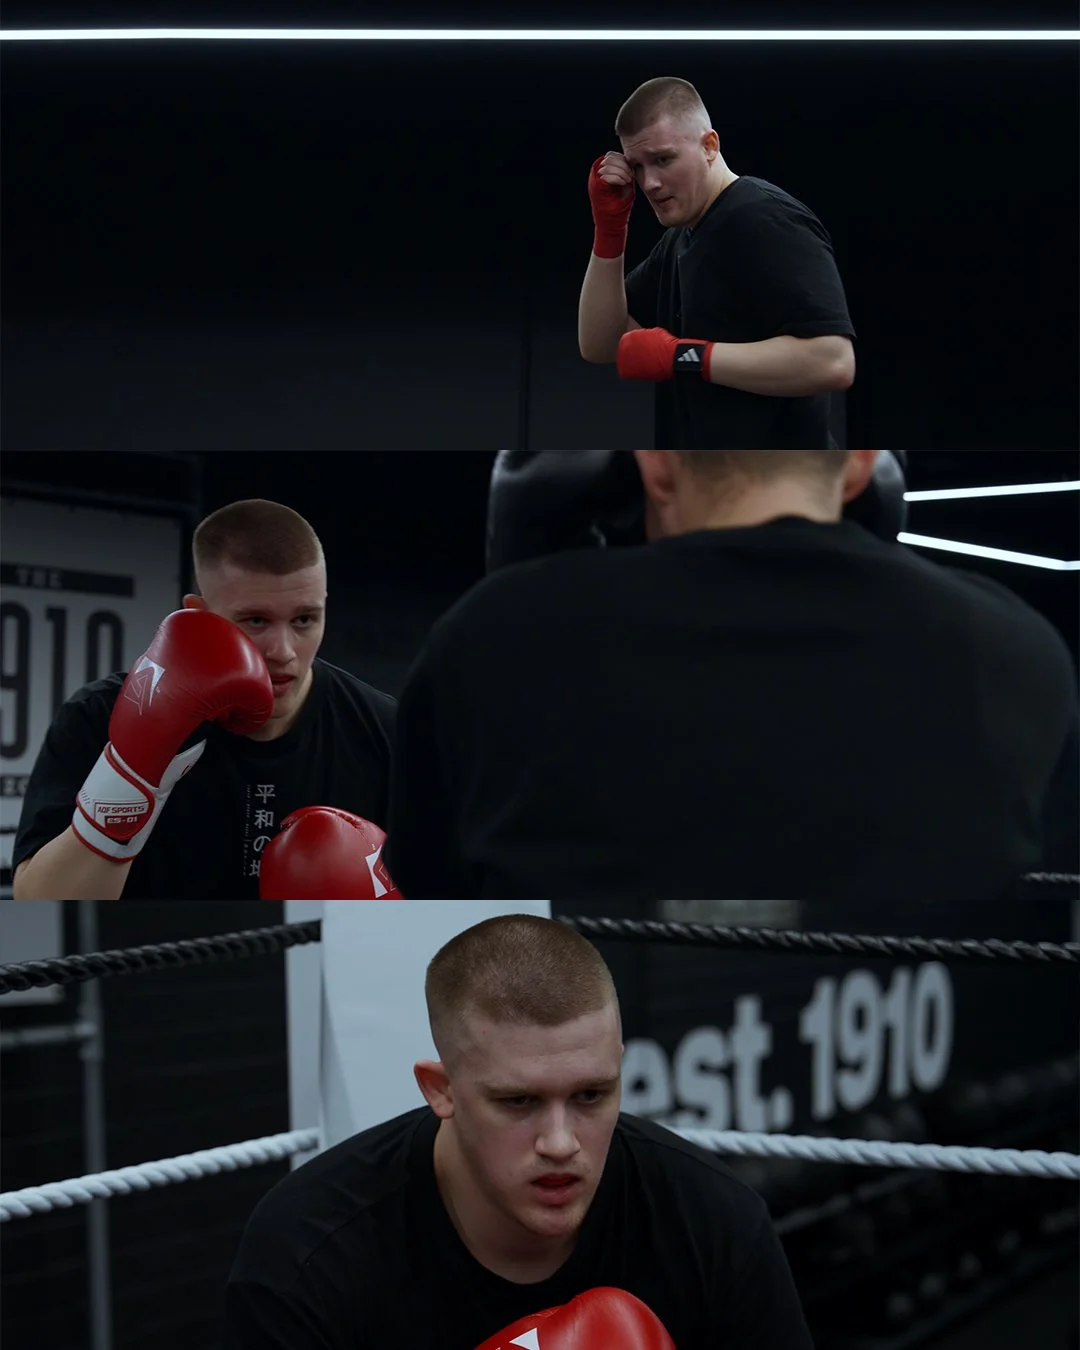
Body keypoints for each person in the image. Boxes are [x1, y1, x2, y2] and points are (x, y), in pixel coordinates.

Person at [383, 451, 1078, 902]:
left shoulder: (491, 633)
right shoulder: (1024, 649)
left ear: (654, 464)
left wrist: (519, 588)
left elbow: (431, 891)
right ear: (864, 466)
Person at [224, 913, 814, 1348]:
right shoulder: (307, 1257)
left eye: (591, 1094)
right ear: (442, 1090)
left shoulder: (712, 1221)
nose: (560, 1142)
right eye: (518, 1101)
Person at [12, 499, 398, 902]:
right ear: (199, 614)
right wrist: (130, 776)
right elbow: (38, 902)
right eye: (256, 621)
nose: (283, 650)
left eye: (304, 619)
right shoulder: (98, 716)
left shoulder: (385, 732)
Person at [578, 76, 856, 449]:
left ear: (709, 146)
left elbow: (833, 361)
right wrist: (609, 232)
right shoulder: (679, 240)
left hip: (776, 481)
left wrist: (683, 355)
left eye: (663, 159)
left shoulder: (763, 218)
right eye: (637, 167)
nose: (650, 183)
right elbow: (599, 344)